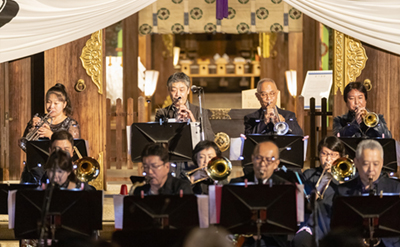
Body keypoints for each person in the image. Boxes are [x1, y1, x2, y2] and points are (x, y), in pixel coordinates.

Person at [336, 139, 400, 247]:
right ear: (356, 162)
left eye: (376, 164)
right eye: (366, 164)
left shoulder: (396, 188)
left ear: (382, 163)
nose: (371, 170)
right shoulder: (342, 190)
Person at [292, 136, 346, 247]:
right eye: (324, 154)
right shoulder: (308, 175)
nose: (328, 159)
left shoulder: (347, 175)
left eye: (333, 155)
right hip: (314, 225)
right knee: (300, 241)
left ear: (340, 157)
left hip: (341, 225)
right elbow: (305, 207)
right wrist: (325, 178)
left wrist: (340, 180)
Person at [19, 83, 80, 151]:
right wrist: (32, 128)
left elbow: (73, 151)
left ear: (64, 104)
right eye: (48, 102)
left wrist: (51, 136)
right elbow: (25, 145)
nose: (51, 106)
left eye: (56, 103)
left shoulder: (71, 124)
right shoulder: (39, 117)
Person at [155, 72, 215, 141]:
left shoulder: (200, 112)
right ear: (169, 91)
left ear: (188, 90)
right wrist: (175, 121)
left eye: (182, 90)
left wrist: (193, 121)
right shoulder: (162, 113)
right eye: (174, 90)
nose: (178, 94)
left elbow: (210, 139)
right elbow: (158, 138)